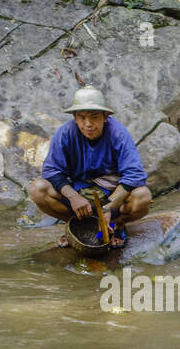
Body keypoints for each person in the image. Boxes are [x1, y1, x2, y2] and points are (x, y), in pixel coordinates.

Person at [28, 86, 151, 248]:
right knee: (38, 189)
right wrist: (73, 197)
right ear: (75, 118)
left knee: (143, 196)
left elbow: (135, 175)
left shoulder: (118, 133)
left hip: (111, 197)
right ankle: (75, 225)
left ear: (105, 117)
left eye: (94, 117)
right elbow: (51, 171)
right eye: (82, 117)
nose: (88, 124)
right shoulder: (64, 133)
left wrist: (108, 209)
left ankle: (116, 225)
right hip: (78, 196)